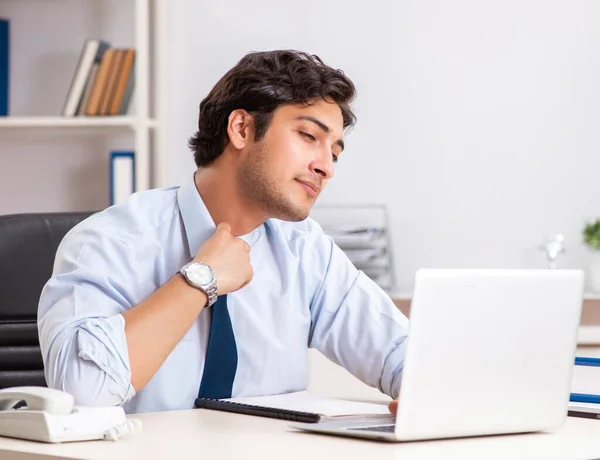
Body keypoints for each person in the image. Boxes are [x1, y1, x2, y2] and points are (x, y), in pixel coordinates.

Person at [38, 49, 409, 414]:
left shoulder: (305, 250)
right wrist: (200, 280)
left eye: (335, 153)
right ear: (242, 129)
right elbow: (81, 392)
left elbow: (399, 352)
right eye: (309, 136)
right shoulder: (109, 241)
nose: (326, 166)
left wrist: (422, 391)